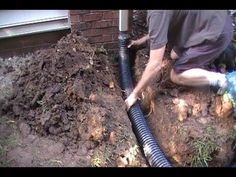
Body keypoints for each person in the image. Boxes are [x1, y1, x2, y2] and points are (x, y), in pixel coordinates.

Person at [125, 10, 236, 110]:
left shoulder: (156, 13)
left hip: (215, 33)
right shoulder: (158, 14)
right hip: (215, 20)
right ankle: (221, 51)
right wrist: (141, 41)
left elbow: (155, 64)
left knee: (176, 75)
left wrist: (134, 94)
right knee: (174, 55)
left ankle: (224, 80)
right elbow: (160, 25)